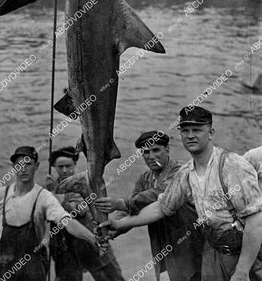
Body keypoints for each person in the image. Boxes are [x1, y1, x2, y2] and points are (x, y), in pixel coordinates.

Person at [101, 107, 262, 281]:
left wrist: (242, 270)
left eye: (197, 130)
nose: (190, 135)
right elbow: (162, 207)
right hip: (212, 249)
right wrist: (119, 224)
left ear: (211, 133)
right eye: (185, 130)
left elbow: (255, 221)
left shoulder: (233, 165)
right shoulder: (186, 173)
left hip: (244, 253)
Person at [0, 146, 98, 281]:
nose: (23, 169)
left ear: (37, 166)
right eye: (19, 164)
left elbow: (68, 222)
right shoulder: (0, 195)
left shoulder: (44, 197)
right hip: (2, 265)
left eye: (28, 164)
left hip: (32, 269)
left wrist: (93, 239)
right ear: (13, 166)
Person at [95, 131, 203, 281]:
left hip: (189, 240)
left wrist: (121, 203)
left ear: (167, 149)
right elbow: (132, 211)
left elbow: (160, 192)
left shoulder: (181, 170)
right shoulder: (145, 178)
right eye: (145, 152)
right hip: (161, 242)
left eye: (156, 150)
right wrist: (114, 230)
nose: (151, 156)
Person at [45, 146, 125, 281]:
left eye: (68, 166)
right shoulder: (49, 186)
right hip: (63, 245)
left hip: (89, 238)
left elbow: (79, 210)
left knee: (110, 277)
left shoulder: (84, 182)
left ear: (75, 164)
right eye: (60, 167)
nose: (65, 170)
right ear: (53, 167)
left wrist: (56, 195)